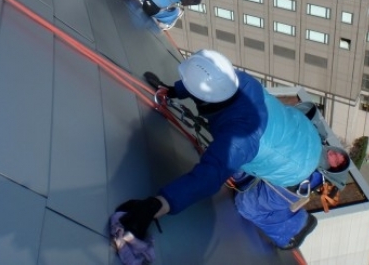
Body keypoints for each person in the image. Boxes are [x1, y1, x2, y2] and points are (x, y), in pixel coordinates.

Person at [113, 50, 324, 250]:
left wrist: (157, 205)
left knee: (247, 206)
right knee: (232, 159)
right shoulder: (236, 80)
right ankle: (246, 179)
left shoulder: (239, 138)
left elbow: (208, 177)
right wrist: (173, 91)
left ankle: (294, 229)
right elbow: (206, 86)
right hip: (299, 131)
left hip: (298, 168)